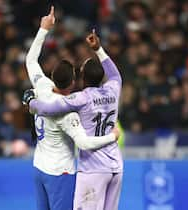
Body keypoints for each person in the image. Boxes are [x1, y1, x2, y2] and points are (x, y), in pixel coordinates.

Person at [23, 6, 119, 210]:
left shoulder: (42, 86)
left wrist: (43, 29)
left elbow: (31, 60)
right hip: (60, 173)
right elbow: (84, 143)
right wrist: (112, 136)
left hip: (39, 166)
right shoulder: (67, 113)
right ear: (73, 81)